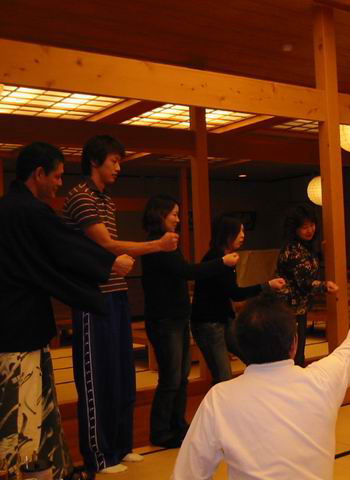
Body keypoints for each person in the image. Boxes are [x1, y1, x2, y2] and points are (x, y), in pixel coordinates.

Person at [172, 277, 350, 480]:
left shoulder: (220, 398)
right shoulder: (321, 381)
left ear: (240, 346)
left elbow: (188, 474)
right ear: (294, 343)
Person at [0, 142, 130, 479]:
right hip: (20, 329)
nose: (60, 183)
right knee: (23, 413)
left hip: (16, 324)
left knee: (36, 409)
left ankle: (51, 471)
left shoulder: (8, 209)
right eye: (57, 176)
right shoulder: (29, 211)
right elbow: (66, 247)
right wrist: (108, 263)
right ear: (38, 174)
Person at [63, 135, 179, 474]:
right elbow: (107, 245)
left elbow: (112, 250)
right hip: (92, 296)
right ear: (94, 161)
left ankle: (121, 446)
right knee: (96, 378)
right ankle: (99, 457)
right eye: (113, 161)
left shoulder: (105, 199)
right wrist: (157, 245)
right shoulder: (81, 196)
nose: (118, 167)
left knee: (122, 374)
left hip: (116, 293)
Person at [141, 195, 241, 448]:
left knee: (182, 376)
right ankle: (161, 431)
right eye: (174, 214)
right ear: (160, 215)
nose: (178, 219)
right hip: (164, 319)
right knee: (171, 378)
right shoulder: (157, 245)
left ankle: (178, 425)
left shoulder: (169, 243)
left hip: (177, 318)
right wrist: (221, 263)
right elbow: (187, 272)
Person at [190, 215, 285, 384]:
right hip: (209, 324)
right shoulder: (216, 259)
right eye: (239, 231)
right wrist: (267, 285)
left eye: (243, 231)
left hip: (224, 319)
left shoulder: (227, 257)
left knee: (253, 358)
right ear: (227, 234)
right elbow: (236, 293)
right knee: (223, 376)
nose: (243, 235)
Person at [276, 205, 338, 366]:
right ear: (295, 229)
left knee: (298, 351)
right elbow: (303, 281)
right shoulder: (292, 249)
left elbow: (310, 268)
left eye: (312, 225)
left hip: (300, 308)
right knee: (292, 353)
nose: (310, 230)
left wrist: (323, 252)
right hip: (288, 309)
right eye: (304, 227)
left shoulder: (306, 247)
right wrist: (325, 286)